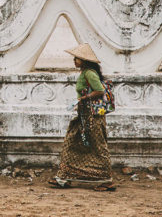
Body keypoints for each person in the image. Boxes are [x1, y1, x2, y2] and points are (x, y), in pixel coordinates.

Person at [49, 44, 114, 191]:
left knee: (98, 145)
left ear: (84, 60)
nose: (74, 60)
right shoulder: (85, 72)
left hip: (93, 117)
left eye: (76, 58)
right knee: (72, 142)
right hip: (85, 115)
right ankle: (64, 177)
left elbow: (100, 91)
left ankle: (107, 180)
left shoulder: (89, 73)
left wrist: (84, 97)